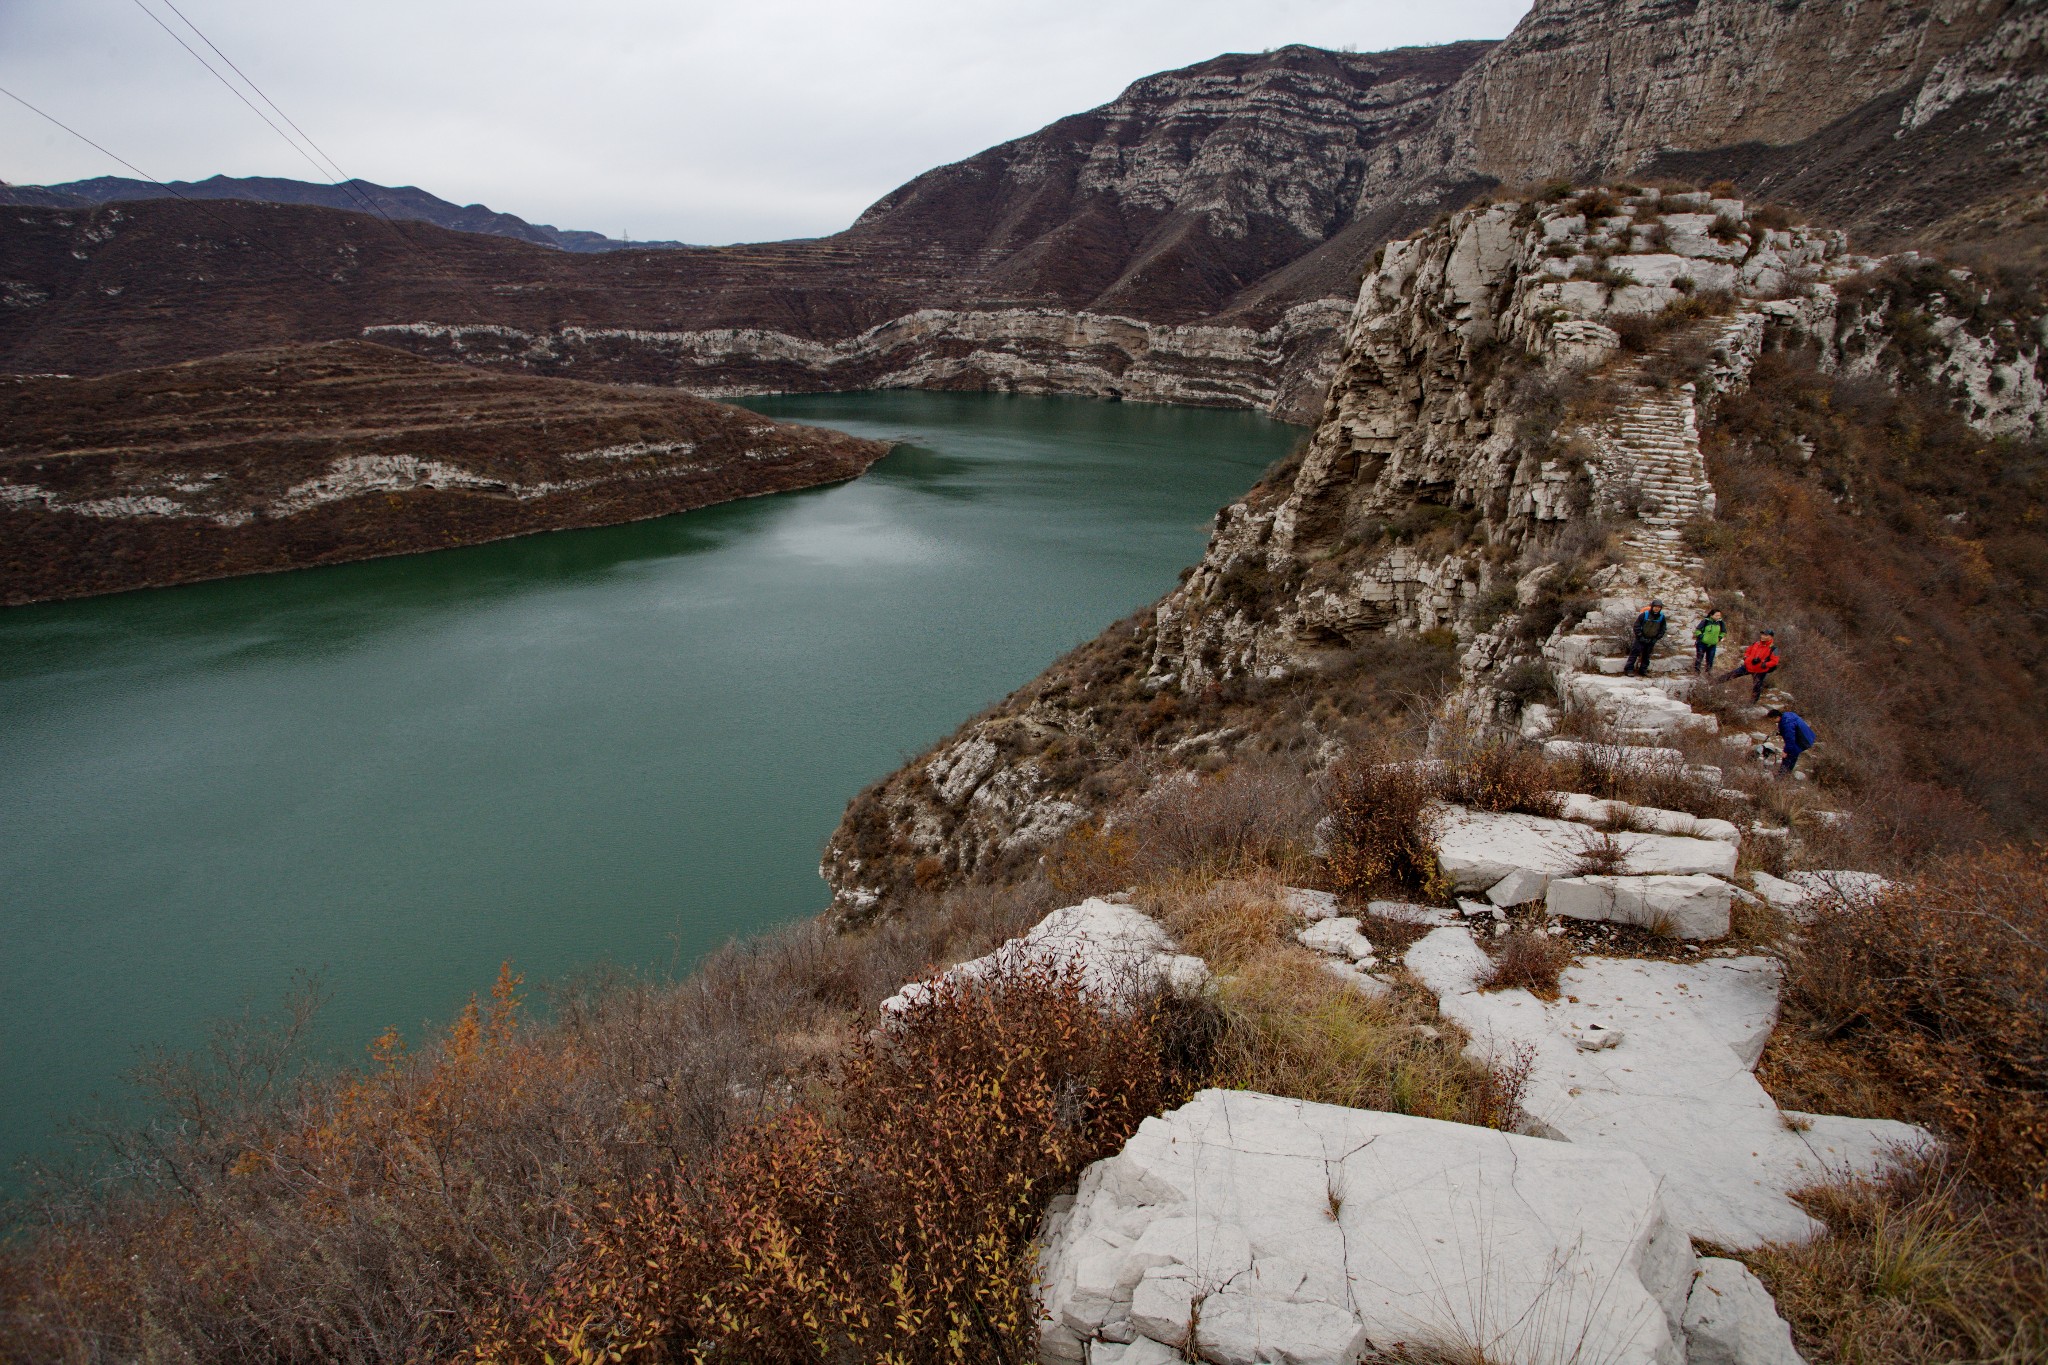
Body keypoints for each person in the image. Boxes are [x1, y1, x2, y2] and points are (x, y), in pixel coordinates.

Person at [1721, 629, 1781, 702]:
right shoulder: (1756, 643)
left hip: (1760, 671)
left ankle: (1752, 704)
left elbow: (1775, 662)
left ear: (1771, 637)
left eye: (1765, 635)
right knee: (1731, 674)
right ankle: (1713, 682)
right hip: (1748, 666)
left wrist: (1764, 664)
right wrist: (1746, 658)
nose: (1763, 636)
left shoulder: (1774, 648)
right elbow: (1748, 651)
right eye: (1762, 634)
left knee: (1757, 687)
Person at [1622, 598, 1667, 676]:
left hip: (1651, 639)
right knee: (1634, 654)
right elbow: (1636, 626)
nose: (1657, 608)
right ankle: (1629, 669)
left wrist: (1657, 637)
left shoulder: (1662, 617)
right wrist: (1640, 636)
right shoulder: (1644, 614)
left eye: (1659, 607)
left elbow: (1663, 628)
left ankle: (1643, 670)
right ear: (1652, 606)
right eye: (1655, 606)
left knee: (1646, 656)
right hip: (1640, 639)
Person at [1769, 707, 1816, 776]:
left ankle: (1781, 777)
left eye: (1772, 719)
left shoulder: (1787, 724)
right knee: (1793, 754)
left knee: (1789, 755)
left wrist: (1785, 751)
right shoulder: (1787, 715)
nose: (1772, 721)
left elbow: (1790, 740)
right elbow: (1793, 729)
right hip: (1807, 736)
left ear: (1777, 717)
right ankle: (1787, 773)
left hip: (1804, 740)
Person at [1692, 609, 1726, 674]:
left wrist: (1719, 638)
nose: (1718, 617)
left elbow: (1723, 632)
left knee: (1710, 659)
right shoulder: (1705, 621)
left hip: (1713, 644)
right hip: (1702, 643)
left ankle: (1708, 673)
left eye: (1719, 615)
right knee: (1699, 657)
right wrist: (1701, 637)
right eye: (1716, 615)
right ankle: (1696, 671)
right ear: (1711, 615)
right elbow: (1697, 630)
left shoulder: (1720, 623)